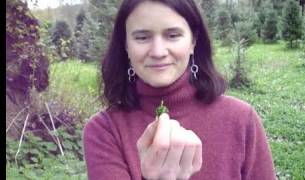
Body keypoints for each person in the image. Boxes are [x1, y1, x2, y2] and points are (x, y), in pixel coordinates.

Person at [83, 0, 276, 179]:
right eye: (142, 37)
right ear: (126, 45)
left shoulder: (241, 119)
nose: (158, 52)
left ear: (193, 41)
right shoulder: (104, 131)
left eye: (173, 35)